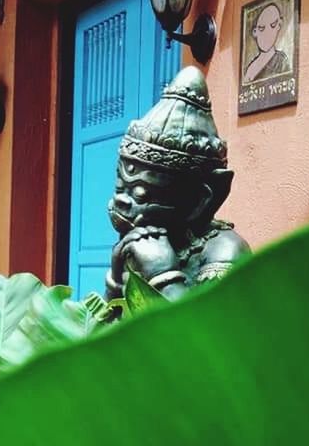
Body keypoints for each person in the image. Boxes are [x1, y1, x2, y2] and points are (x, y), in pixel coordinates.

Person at [105, 66, 250, 301]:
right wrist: (114, 279)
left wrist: (163, 274)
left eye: (142, 196)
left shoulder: (225, 252)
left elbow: (206, 335)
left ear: (199, 201)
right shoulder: (145, 241)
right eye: (121, 188)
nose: (122, 202)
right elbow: (107, 334)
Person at [243, 2, 291, 84]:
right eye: (261, 28)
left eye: (273, 25)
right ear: (255, 32)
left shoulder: (282, 61)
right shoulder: (251, 68)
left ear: (279, 25)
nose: (267, 33)